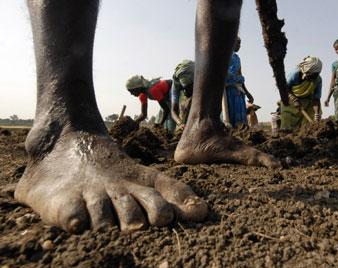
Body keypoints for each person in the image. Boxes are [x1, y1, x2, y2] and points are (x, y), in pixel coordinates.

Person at [16, 0, 282, 233]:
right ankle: (64, 127)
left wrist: (180, 119)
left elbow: (168, 104)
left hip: (176, 99)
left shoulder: (158, 89)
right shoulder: (148, 93)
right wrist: (160, 120)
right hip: (169, 100)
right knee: (71, 122)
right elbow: (161, 108)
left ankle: (203, 125)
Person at [280, 56, 323, 131]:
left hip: (309, 100)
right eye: (313, 74)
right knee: (286, 114)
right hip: (291, 98)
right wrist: (294, 100)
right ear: (307, 70)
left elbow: (316, 99)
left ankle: (307, 132)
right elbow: (285, 88)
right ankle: (286, 132)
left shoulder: (318, 80)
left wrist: (316, 114)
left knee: (311, 120)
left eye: (317, 74)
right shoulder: (294, 74)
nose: (315, 77)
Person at [222, 36, 254, 128]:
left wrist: (247, 93)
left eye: (240, 43)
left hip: (239, 91)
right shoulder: (225, 57)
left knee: (240, 121)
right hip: (228, 91)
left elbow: (240, 76)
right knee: (229, 117)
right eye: (238, 43)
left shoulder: (237, 58)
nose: (239, 46)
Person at [170, 60, 194, 130]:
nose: (187, 91)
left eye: (191, 86)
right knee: (184, 106)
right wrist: (180, 123)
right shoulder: (176, 84)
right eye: (186, 88)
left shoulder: (202, 76)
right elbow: (173, 110)